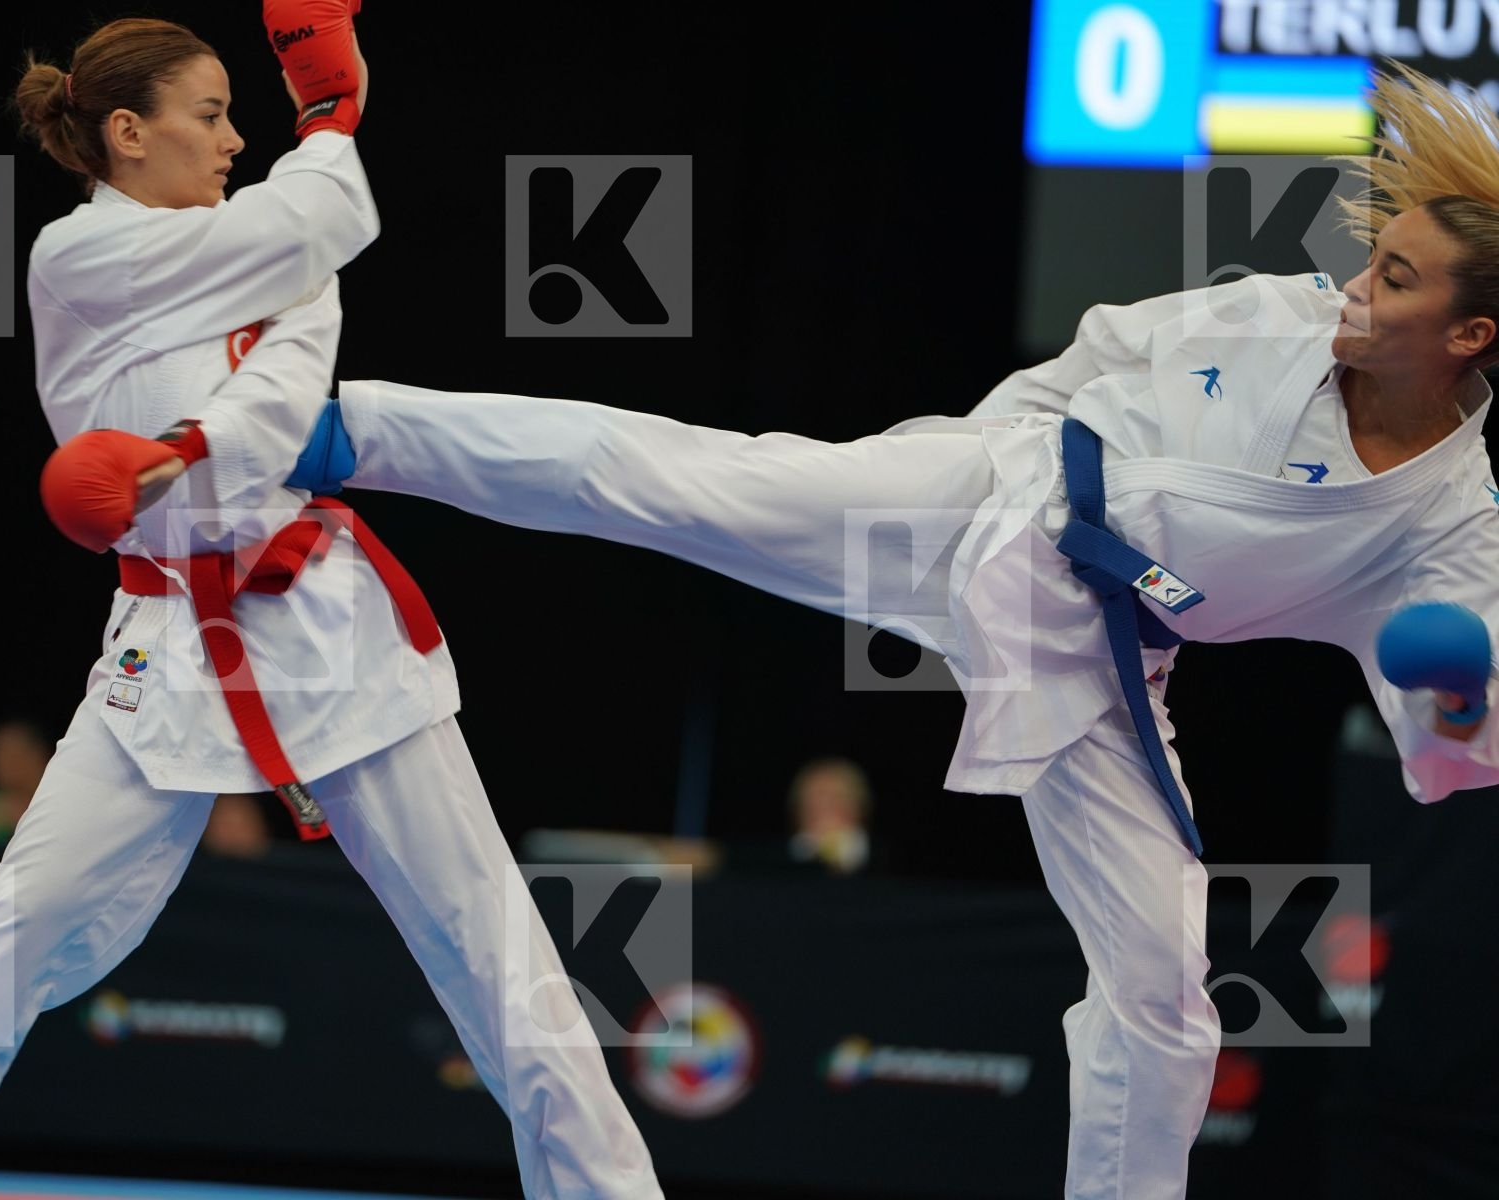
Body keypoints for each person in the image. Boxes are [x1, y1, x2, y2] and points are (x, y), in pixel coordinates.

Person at [283, 64, 1497, 1199]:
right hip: (990, 504)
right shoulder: (1276, 320)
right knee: (689, 483)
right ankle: (349, 433)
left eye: (1395, 279)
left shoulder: (1450, 528)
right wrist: (979, 461)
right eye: (1370, 258)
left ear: (1469, 336)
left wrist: (1453, 701)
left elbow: (1458, 750)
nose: (1353, 287)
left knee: (1171, 1002)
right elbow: (1095, 358)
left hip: (1098, 663)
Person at [0, 10, 662, 1200]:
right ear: (125, 131)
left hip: (326, 620)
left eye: (239, 117)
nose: (234, 138)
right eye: (209, 115)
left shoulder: (269, 252)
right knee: (31, 913)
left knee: (491, 939)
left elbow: (291, 392)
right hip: (169, 636)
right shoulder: (77, 259)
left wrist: (188, 447)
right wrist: (330, 117)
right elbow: (323, 216)